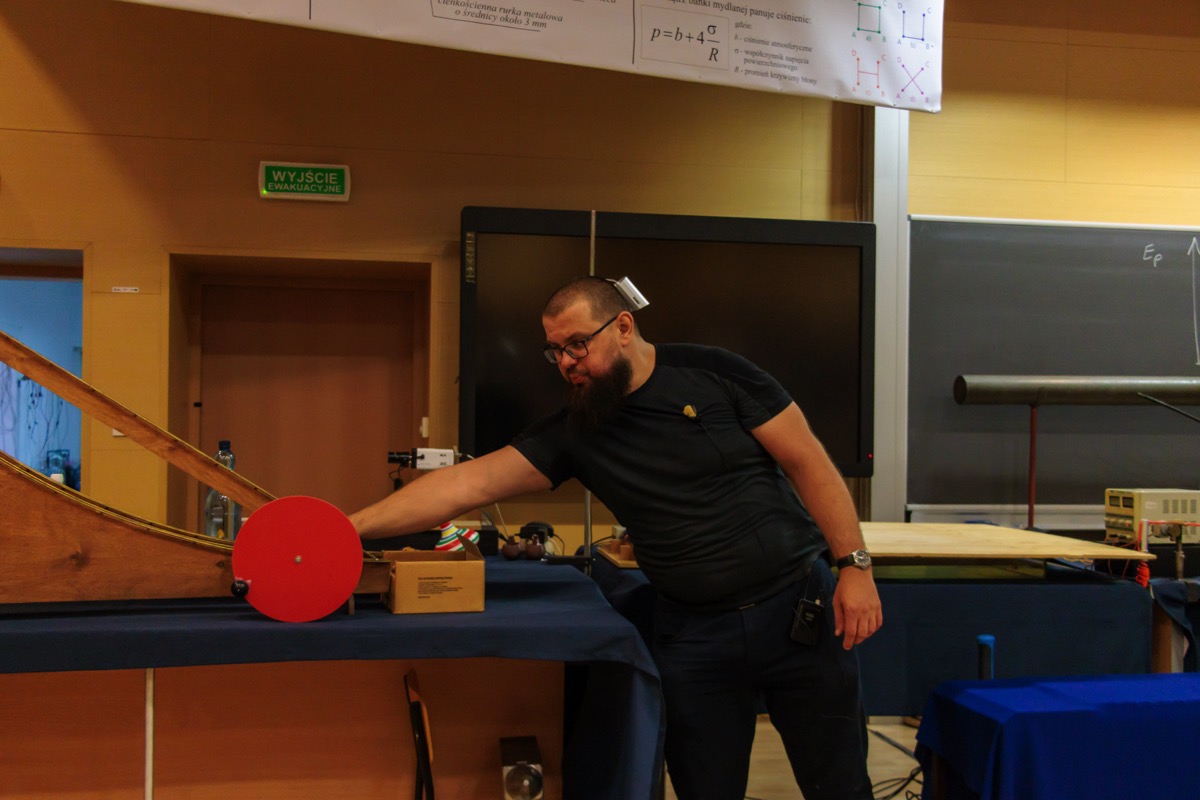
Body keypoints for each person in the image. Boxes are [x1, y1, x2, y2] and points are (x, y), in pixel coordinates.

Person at [350, 276, 882, 800]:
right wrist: (348, 527)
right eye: (555, 351)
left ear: (623, 327)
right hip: (695, 637)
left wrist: (854, 566)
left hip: (798, 610)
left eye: (577, 344)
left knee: (840, 786)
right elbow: (467, 484)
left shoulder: (716, 372)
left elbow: (809, 462)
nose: (566, 362)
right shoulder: (576, 430)